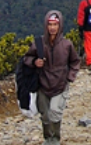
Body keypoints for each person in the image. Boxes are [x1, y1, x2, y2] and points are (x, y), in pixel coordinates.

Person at [23, 10, 80, 145]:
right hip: (43, 84)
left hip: (60, 85)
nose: (53, 28)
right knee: (45, 114)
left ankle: (55, 139)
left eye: (55, 24)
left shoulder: (67, 45)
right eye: (50, 25)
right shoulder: (39, 43)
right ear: (46, 26)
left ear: (60, 26)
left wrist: (70, 77)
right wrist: (34, 62)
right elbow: (26, 58)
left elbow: (75, 61)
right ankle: (48, 138)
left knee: (55, 111)